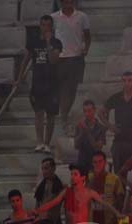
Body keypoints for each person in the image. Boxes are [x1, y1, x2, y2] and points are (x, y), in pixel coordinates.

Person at [16, 15, 62, 154]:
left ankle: (47, 143)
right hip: (38, 83)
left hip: (53, 84)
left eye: (48, 25)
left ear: (52, 27)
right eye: (43, 25)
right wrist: (19, 79)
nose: (46, 28)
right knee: (38, 114)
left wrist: (48, 43)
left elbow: (54, 60)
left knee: (51, 115)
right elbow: (26, 60)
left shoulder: (57, 42)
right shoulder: (33, 42)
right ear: (40, 26)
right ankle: (40, 142)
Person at [35, 165, 122, 224]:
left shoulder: (89, 192)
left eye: (75, 174)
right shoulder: (67, 192)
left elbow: (105, 204)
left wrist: (117, 213)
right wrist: (37, 210)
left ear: (83, 177)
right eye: (71, 174)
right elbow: (53, 203)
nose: (72, 177)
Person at [52, 0, 90, 132]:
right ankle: (63, 115)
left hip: (76, 57)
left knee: (72, 89)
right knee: (62, 89)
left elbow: (87, 35)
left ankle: (64, 115)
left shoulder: (82, 16)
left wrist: (86, 49)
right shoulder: (54, 17)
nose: (67, 2)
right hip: (60, 58)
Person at [74, 100, 106, 173]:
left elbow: (97, 148)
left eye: (89, 111)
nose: (87, 114)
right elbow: (76, 146)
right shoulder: (79, 125)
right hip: (82, 161)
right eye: (85, 111)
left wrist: (88, 132)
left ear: (94, 110)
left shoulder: (101, 128)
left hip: (95, 163)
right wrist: (81, 133)